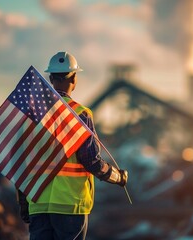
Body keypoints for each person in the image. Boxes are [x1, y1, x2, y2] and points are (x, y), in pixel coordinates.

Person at [17, 51, 128, 240]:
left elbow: (21, 164)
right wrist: (118, 177)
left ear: (51, 78)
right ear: (74, 79)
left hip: (38, 204)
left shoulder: (32, 115)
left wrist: (24, 204)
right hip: (70, 205)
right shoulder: (80, 114)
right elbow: (91, 161)